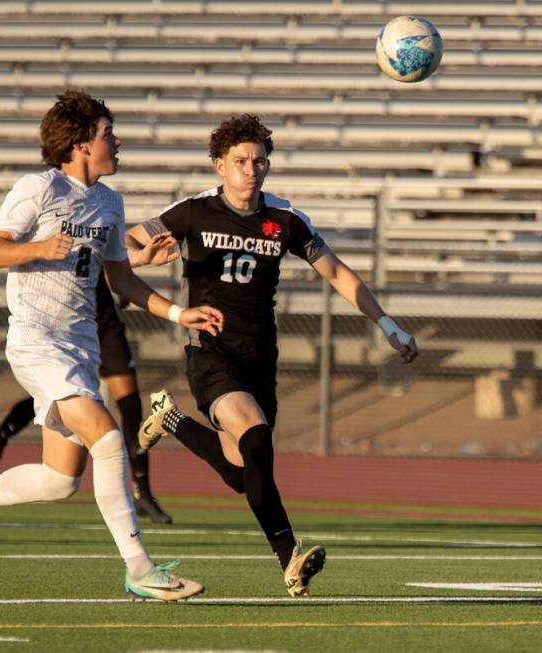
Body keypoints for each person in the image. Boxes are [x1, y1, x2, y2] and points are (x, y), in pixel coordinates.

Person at [0, 89, 223, 601]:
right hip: (36, 341)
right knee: (110, 438)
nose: (116, 141)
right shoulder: (39, 187)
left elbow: (121, 282)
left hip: (80, 347)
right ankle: (140, 569)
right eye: (107, 133)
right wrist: (37, 247)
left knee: (59, 479)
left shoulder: (111, 203)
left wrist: (180, 311)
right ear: (79, 144)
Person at [126, 114, 418, 597]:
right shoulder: (193, 212)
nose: (251, 169)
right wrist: (142, 257)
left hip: (259, 357)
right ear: (219, 165)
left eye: (260, 161)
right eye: (240, 160)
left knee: (243, 475)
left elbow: (339, 274)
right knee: (257, 438)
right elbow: (127, 244)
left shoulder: (284, 219)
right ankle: (289, 557)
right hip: (210, 353)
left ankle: (171, 420)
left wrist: (388, 325)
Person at [0, 274, 173, 524]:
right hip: (66, 325)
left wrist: (127, 277)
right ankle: (1, 435)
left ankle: (143, 493)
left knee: (130, 404)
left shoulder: (106, 234)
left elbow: (116, 256)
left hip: (103, 320)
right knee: (59, 397)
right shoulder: (57, 237)